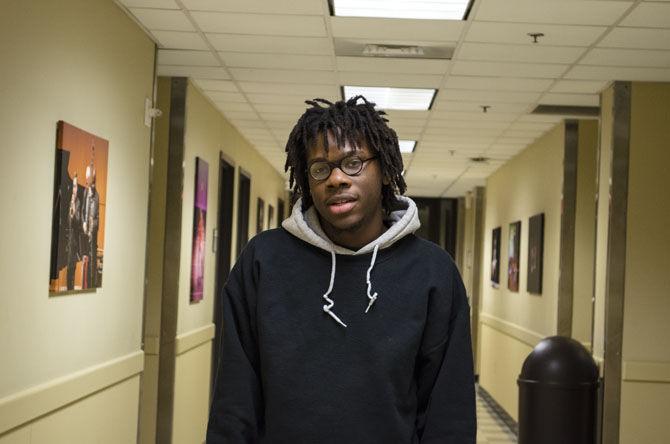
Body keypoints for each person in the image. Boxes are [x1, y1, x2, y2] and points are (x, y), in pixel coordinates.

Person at [207, 96, 476, 443]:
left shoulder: (433, 272)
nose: (336, 179)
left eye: (353, 163)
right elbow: (234, 400)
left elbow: (448, 414)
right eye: (320, 168)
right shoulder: (263, 261)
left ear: (386, 170)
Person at [82, 162, 99, 288]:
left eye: (89, 177)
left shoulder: (95, 195)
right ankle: (84, 285)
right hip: (85, 232)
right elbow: (83, 210)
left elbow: (96, 217)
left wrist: (92, 227)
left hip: (92, 234)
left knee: (91, 261)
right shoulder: (85, 192)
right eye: (87, 177)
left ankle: (91, 285)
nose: (87, 180)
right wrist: (83, 221)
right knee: (84, 259)